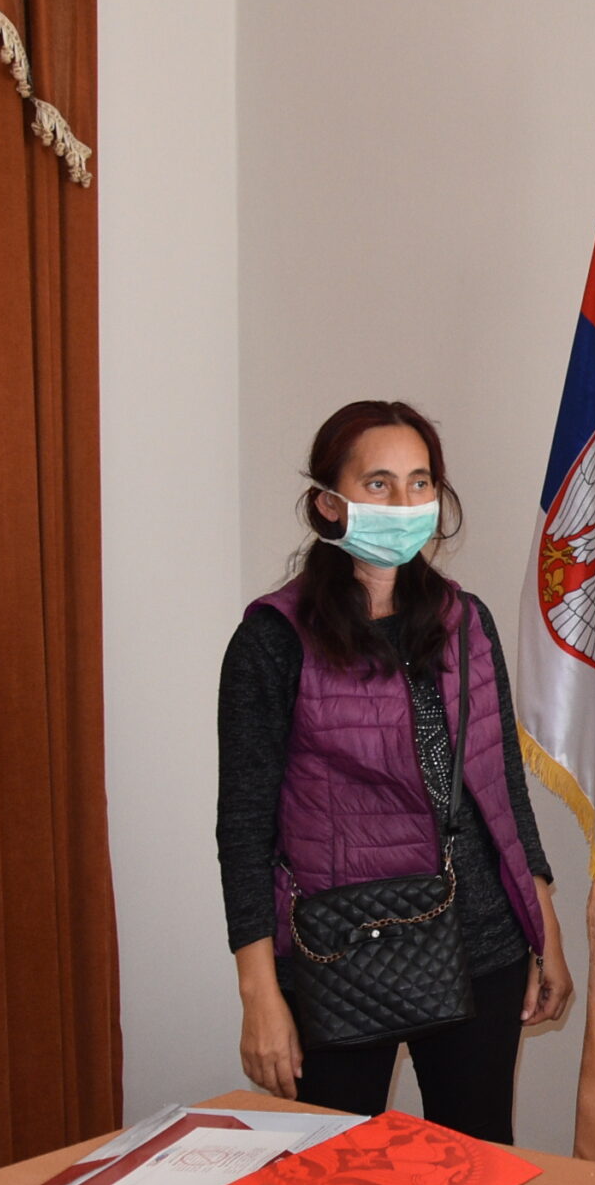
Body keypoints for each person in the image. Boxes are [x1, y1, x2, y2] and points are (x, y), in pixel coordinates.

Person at [216, 400, 575, 1143]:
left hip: (482, 941)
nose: (405, 503)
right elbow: (244, 827)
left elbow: (501, 787)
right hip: (340, 950)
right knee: (333, 1176)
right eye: (378, 483)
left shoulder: (466, 620)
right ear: (329, 502)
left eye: (420, 482)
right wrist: (258, 993)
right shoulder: (272, 640)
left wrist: (544, 927)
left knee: (476, 1166)